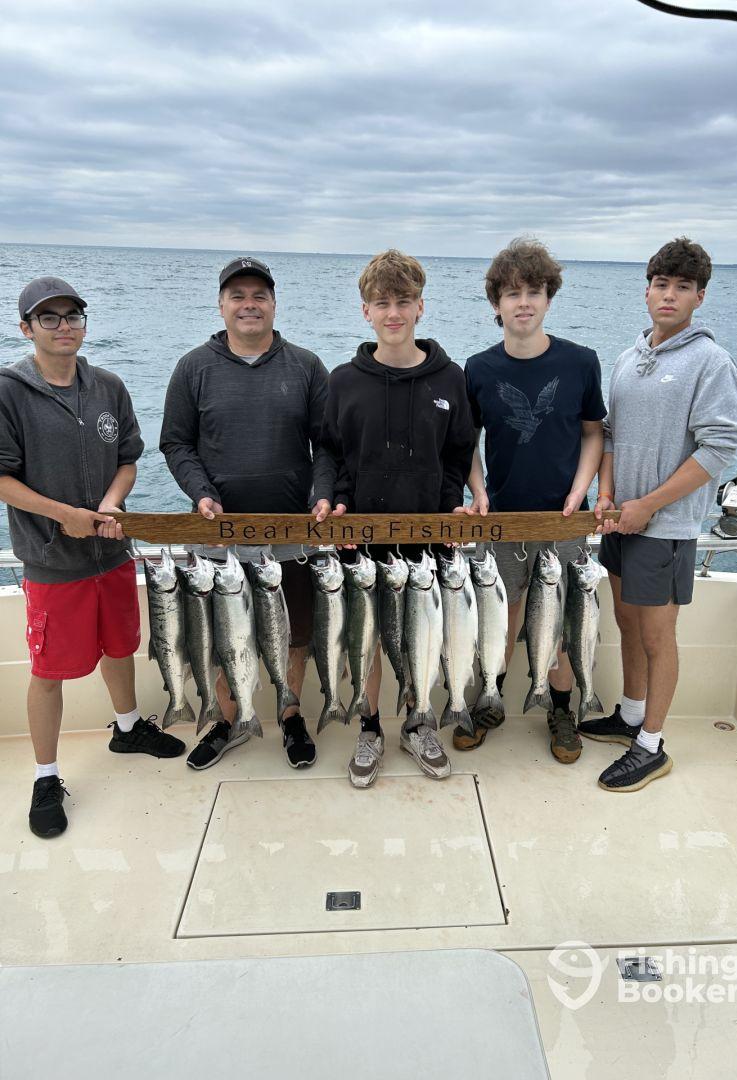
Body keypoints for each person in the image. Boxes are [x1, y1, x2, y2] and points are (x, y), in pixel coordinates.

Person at [0, 276, 184, 839]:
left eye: (72, 315)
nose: (63, 327)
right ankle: (45, 775)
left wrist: (108, 503)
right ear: (26, 328)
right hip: (52, 560)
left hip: (113, 552)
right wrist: (64, 514)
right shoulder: (8, 391)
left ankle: (127, 727)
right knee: (49, 670)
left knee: (119, 646)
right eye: (49, 318)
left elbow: (129, 457)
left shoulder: (109, 386)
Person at [160, 257, 331, 771]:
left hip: (294, 532)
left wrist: (322, 493)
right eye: (238, 295)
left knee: (295, 632)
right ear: (221, 304)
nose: (249, 304)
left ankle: (291, 712)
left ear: (274, 304)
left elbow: (325, 445)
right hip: (218, 534)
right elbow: (175, 443)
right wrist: (200, 492)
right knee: (221, 637)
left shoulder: (305, 364)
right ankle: (225, 718)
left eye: (259, 295)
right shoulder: (193, 367)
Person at [588, 237, 737, 791]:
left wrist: (649, 506)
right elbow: (610, 436)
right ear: (647, 289)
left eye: (682, 287)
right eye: (661, 284)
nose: (669, 296)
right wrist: (606, 497)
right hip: (618, 522)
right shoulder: (630, 359)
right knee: (627, 623)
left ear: (700, 297)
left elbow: (720, 448)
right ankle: (630, 715)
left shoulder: (711, 361)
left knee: (658, 635)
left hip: (665, 527)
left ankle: (652, 744)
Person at [317, 249, 476, 787]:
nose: (393, 313)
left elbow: (459, 453)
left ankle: (419, 721)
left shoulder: (450, 380)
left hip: (431, 539)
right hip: (361, 537)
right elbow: (330, 453)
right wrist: (332, 501)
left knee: (420, 636)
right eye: (381, 303)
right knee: (371, 638)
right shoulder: (343, 381)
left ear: (420, 307)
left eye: (403, 301)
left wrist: (454, 503)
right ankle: (369, 725)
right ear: (365, 311)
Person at [459, 238, 608, 761]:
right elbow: (466, 443)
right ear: (496, 303)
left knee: (564, 623)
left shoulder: (581, 362)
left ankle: (561, 708)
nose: (524, 302)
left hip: (566, 520)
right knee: (499, 618)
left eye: (535, 292)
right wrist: (478, 492)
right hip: (501, 520)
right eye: (513, 293)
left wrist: (578, 491)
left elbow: (594, 433)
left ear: (549, 298)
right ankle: (490, 698)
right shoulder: (476, 369)